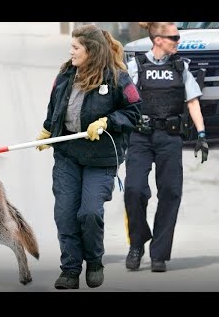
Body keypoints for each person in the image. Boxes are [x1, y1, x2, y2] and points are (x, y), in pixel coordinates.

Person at [36, 24, 142, 289]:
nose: (70, 52)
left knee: (90, 213)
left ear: (91, 50)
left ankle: (94, 262)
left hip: (101, 157)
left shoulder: (117, 78)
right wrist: (48, 130)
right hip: (68, 154)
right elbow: (55, 106)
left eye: (76, 48)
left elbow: (135, 111)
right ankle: (70, 270)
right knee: (65, 213)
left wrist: (108, 121)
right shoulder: (64, 75)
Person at [124, 22, 209, 273]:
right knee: (134, 190)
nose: (178, 41)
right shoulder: (136, 67)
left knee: (171, 192)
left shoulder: (180, 67)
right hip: (140, 137)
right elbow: (123, 101)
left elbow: (192, 102)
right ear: (158, 39)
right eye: (174, 37)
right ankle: (137, 243)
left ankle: (159, 254)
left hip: (170, 138)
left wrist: (201, 134)